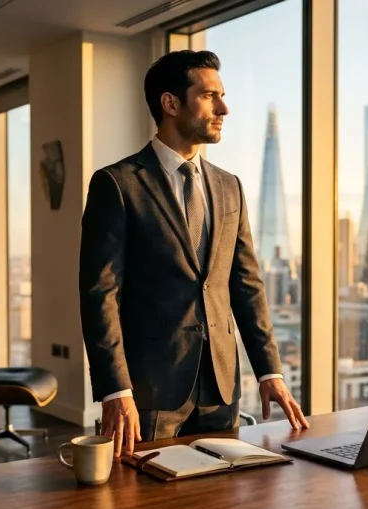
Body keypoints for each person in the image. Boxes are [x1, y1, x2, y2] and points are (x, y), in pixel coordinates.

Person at [79, 49, 309, 458]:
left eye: (222, 95)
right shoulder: (117, 184)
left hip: (222, 387)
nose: (224, 107)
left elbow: (246, 285)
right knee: (146, 503)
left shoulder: (230, 186)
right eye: (209, 96)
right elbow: (101, 294)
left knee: (220, 504)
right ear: (170, 103)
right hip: (151, 390)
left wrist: (269, 370)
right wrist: (116, 389)